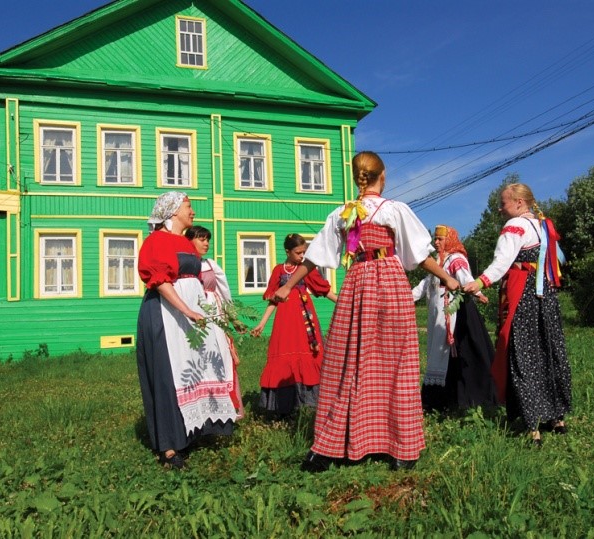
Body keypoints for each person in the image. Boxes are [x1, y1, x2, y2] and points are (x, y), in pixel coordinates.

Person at [273, 151, 460, 471]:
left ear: (356, 175)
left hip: (358, 284)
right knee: (396, 363)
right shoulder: (395, 210)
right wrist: (447, 277)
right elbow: (417, 256)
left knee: (347, 361)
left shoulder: (345, 213)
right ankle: (402, 449)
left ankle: (331, 446)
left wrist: (288, 286)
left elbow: (313, 259)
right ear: (382, 176)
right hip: (390, 285)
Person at [463, 183, 571, 447]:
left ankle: (533, 424)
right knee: (549, 350)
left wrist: (480, 282)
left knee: (523, 354)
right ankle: (557, 417)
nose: (500, 208)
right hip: (545, 295)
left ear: (520, 203)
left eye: (504, 203)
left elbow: (502, 261)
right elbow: (560, 260)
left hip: (524, 294)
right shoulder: (544, 226)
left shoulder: (516, 228)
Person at [136, 192, 237, 470]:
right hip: (166, 314)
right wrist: (187, 310)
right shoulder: (155, 241)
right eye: (188, 206)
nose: (192, 211)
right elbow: (160, 281)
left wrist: (210, 312)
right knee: (169, 375)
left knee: (194, 368)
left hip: (190, 314)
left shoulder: (185, 243)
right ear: (172, 211)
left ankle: (191, 431)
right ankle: (169, 447)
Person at [250, 233, 337, 417]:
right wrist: (262, 323)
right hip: (285, 322)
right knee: (284, 355)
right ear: (288, 251)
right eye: (298, 252)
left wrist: (343, 302)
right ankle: (283, 406)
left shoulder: (306, 269)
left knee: (309, 355)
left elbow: (324, 290)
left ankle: (310, 402)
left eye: (304, 252)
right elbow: (273, 300)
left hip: (305, 319)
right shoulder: (278, 271)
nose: (301, 256)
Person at [412, 225, 497, 412]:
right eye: (435, 239)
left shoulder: (455, 259)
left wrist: (478, 293)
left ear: (449, 240)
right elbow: (422, 287)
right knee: (438, 353)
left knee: (457, 354)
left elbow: (465, 278)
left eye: (439, 239)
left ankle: (464, 399)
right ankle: (439, 401)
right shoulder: (437, 263)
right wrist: (403, 298)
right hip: (438, 318)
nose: (436, 242)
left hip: (456, 314)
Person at [185, 225, 245, 419]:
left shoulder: (211, 265)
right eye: (201, 239)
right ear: (189, 241)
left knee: (219, 356)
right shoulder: (183, 267)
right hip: (193, 315)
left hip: (214, 315)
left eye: (207, 239)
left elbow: (224, 293)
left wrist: (234, 318)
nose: (206, 243)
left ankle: (227, 406)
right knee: (197, 357)